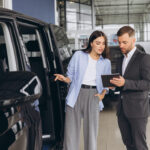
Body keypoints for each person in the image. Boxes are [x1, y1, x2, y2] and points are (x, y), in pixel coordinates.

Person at [54, 30, 111, 150]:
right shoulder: (79, 55)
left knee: (91, 133)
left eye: (103, 43)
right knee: (70, 133)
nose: (101, 46)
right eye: (98, 43)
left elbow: (107, 84)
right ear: (91, 43)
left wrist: (102, 95)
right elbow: (71, 76)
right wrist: (64, 78)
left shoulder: (106, 62)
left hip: (93, 95)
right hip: (76, 93)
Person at [110, 26, 150, 150]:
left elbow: (148, 83)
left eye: (124, 42)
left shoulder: (144, 58)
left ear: (133, 40)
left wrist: (125, 83)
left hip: (138, 110)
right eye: (119, 42)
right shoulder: (121, 59)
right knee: (128, 143)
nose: (121, 45)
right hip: (122, 109)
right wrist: (114, 86)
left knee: (140, 145)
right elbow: (121, 83)